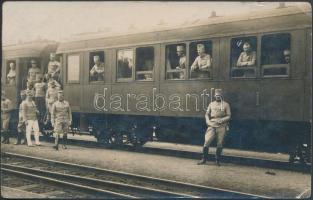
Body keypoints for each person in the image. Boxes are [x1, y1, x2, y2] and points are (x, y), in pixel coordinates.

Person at [198, 89, 231, 166]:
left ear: (221, 96)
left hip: (222, 125)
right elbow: (206, 114)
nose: (218, 97)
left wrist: (222, 120)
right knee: (206, 142)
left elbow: (229, 115)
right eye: (216, 95)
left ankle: (217, 160)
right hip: (212, 125)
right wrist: (208, 121)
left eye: (219, 95)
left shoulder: (226, 104)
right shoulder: (211, 104)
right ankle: (204, 159)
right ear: (214, 96)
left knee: (220, 143)